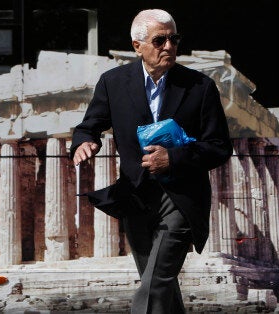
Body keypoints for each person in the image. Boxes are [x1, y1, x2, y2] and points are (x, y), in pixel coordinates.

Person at [71, 9, 232, 313]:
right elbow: (88, 126)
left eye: (174, 39)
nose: (169, 46)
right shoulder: (113, 83)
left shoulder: (200, 87)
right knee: (160, 285)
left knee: (154, 284)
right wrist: (85, 142)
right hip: (136, 197)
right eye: (160, 40)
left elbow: (219, 147)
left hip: (182, 199)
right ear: (137, 46)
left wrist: (173, 158)